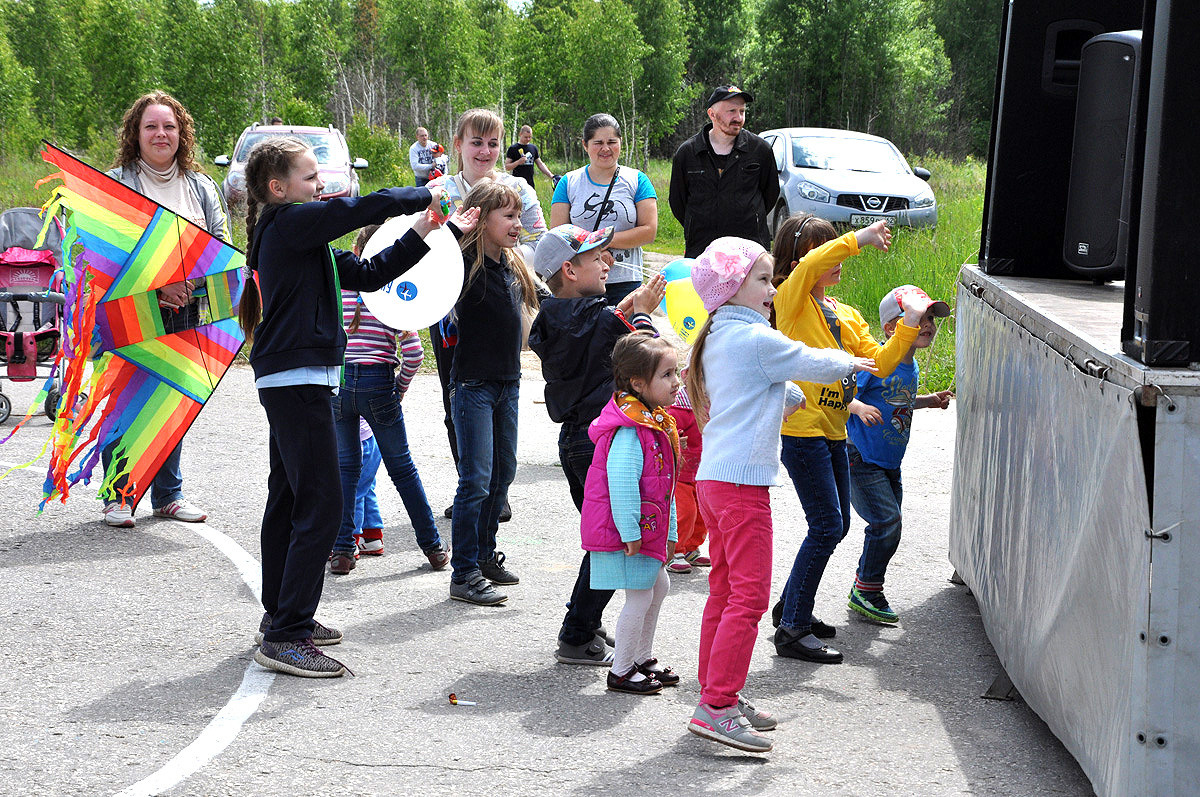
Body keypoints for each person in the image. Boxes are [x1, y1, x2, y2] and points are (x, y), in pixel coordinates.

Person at [238, 135, 464, 677]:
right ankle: (288, 632)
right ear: (278, 188)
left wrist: (426, 227)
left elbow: (371, 274)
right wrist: (420, 192)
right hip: (296, 381)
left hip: (295, 379)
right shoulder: (288, 223)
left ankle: (280, 615)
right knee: (323, 504)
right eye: (310, 177)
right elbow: (354, 209)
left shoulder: (302, 241)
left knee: (289, 499)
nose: (321, 185)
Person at [683, 237, 875, 752]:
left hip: (716, 481)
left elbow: (778, 386)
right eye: (764, 280)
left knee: (725, 591)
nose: (773, 289)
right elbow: (807, 361)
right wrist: (854, 362)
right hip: (742, 487)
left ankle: (716, 692)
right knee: (748, 597)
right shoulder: (754, 338)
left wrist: (783, 394)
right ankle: (717, 706)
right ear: (731, 288)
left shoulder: (721, 335)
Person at [769, 213, 931, 665]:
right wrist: (859, 237)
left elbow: (880, 363)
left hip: (834, 431)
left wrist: (910, 322)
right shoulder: (790, 301)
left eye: (836, 248)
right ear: (801, 261)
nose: (836, 259)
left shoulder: (845, 313)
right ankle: (792, 628)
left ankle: (791, 606)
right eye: (826, 251)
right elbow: (811, 265)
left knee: (835, 525)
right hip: (801, 431)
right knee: (826, 526)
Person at [528, 223, 665, 666]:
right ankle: (577, 633)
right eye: (595, 257)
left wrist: (624, 311)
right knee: (611, 542)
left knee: (603, 537)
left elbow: (593, 332)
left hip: (575, 441)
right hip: (603, 444)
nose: (607, 262)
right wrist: (642, 314)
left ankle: (585, 620)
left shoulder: (551, 317)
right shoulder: (603, 320)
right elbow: (647, 357)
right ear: (570, 270)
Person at [100, 90, 229, 528]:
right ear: (135, 133)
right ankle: (118, 495)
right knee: (125, 403)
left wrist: (191, 285)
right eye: (151, 126)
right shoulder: (116, 182)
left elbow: (221, 247)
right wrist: (155, 290)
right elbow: (104, 256)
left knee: (172, 400)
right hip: (131, 310)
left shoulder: (202, 186)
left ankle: (168, 495)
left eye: (169, 126)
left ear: (182, 133)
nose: (161, 134)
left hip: (188, 308)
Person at [429, 108, 547, 519]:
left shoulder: (518, 188)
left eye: (493, 143)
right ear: (458, 144)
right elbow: (425, 245)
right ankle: (471, 486)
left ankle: (498, 492)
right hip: (448, 311)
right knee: (456, 399)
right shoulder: (439, 191)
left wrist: (500, 258)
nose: (484, 151)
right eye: (476, 142)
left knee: (500, 397)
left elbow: (539, 240)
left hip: (497, 303)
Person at [328, 224, 450, 576]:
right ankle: (433, 547)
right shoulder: (394, 296)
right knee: (403, 470)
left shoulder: (340, 290)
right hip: (379, 385)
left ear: (357, 251)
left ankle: (342, 551)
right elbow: (414, 354)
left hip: (340, 385)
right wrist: (400, 387)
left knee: (345, 469)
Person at [446, 180, 541, 606]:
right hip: (473, 385)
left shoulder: (513, 264)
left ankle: (485, 556)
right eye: (508, 216)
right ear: (482, 220)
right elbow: (427, 267)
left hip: (509, 382)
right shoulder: (461, 265)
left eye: (519, 215)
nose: (518, 223)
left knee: (503, 474)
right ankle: (463, 572)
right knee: (476, 480)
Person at [581, 331, 682, 695]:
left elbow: (665, 487)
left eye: (676, 372)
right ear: (638, 383)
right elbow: (622, 485)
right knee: (640, 595)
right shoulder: (630, 431)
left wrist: (671, 533)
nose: (676, 381)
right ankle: (621, 670)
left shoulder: (653, 423)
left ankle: (641, 658)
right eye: (667, 375)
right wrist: (630, 533)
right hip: (629, 534)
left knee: (659, 586)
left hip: (647, 530)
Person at [844, 285, 953, 623]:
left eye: (931, 318)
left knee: (891, 525)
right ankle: (867, 590)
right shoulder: (877, 362)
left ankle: (865, 585)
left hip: (890, 462)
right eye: (920, 318)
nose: (928, 324)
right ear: (892, 328)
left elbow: (897, 401)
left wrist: (928, 400)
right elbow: (839, 395)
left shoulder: (911, 366)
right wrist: (858, 407)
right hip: (861, 457)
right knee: (886, 522)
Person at [551, 114, 658, 306]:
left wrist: (602, 242)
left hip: (625, 283)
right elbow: (558, 235)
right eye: (598, 143)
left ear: (621, 142)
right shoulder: (568, 183)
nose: (605, 148)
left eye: (612, 142)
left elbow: (649, 231)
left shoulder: (638, 180)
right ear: (585, 145)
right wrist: (595, 250)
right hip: (580, 284)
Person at [668, 85, 779, 259]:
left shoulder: (760, 150)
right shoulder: (688, 153)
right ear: (712, 114)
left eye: (742, 111)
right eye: (731, 111)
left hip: (750, 250)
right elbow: (678, 202)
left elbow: (770, 194)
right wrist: (700, 222)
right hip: (702, 249)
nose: (738, 118)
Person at [665, 377, 709, 573]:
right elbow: (669, 432)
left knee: (702, 513)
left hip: (702, 471)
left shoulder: (712, 404)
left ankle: (691, 547)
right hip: (682, 473)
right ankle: (674, 550)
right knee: (686, 512)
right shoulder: (680, 408)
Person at [504, 124, 556, 189]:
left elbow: (540, 164)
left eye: (530, 137)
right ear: (520, 134)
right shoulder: (513, 148)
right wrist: (518, 162)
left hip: (530, 184)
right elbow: (507, 167)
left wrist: (551, 175)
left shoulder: (533, 148)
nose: (528, 139)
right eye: (526, 137)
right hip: (517, 185)